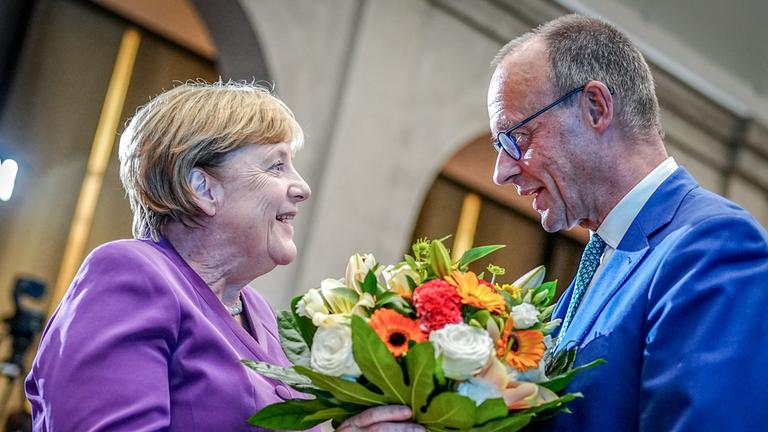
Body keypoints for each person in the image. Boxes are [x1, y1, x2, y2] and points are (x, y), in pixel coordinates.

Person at [25, 81, 424, 432]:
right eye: (276, 166)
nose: (301, 187)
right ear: (202, 188)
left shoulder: (260, 313)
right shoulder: (131, 275)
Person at [488, 14, 768, 432]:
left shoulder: (713, 246)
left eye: (516, 139)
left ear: (595, 107)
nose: (501, 172)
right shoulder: (599, 263)